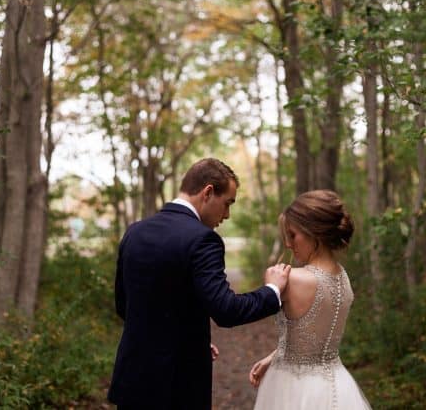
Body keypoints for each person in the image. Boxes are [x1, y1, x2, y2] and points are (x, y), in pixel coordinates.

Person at [107, 158, 291, 409]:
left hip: (133, 382)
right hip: (177, 388)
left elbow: (125, 306)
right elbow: (226, 310)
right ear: (208, 192)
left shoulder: (135, 231)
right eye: (227, 204)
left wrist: (189, 338)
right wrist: (272, 290)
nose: (226, 215)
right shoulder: (203, 239)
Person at [249, 190, 372, 410]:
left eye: (293, 235)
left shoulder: (292, 280)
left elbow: (245, 308)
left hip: (292, 386)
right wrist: (273, 357)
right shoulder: (343, 278)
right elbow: (312, 338)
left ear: (314, 233)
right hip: (337, 385)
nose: (288, 243)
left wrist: (271, 286)